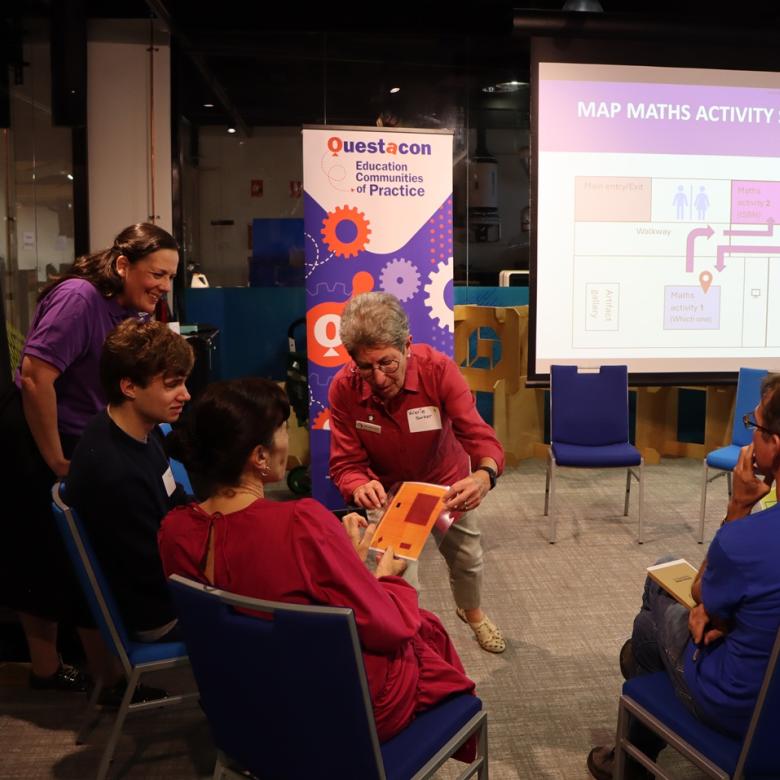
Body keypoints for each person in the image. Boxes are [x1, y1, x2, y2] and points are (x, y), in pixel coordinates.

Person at [157, 378, 476, 742]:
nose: (288, 439)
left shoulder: (174, 529)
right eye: (282, 429)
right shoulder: (301, 523)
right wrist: (384, 577)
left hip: (243, 705)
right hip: (328, 711)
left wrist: (346, 560)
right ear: (259, 457)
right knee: (423, 628)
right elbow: (387, 627)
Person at [0, 223, 180, 692]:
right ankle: (47, 670)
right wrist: (57, 459)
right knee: (42, 556)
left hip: (83, 435)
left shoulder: (134, 310)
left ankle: (106, 677)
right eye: (156, 274)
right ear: (123, 265)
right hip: (40, 434)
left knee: (83, 556)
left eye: (170, 277)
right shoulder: (79, 297)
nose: (164, 286)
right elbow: (36, 377)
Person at [587, 373, 780, 780]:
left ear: (774, 445)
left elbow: (699, 593)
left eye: (755, 424)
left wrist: (737, 508)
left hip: (740, 708)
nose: (750, 436)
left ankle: (633, 756)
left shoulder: (747, 539)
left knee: (655, 603)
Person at [328, 292, 506, 653]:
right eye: (366, 367)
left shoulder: (438, 371)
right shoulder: (344, 389)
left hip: (446, 488)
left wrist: (484, 475)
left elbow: (478, 435)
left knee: (468, 559)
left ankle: (471, 612)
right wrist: (359, 485)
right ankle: (413, 645)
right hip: (388, 495)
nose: (379, 378)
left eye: (387, 363)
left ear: (407, 345)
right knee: (397, 578)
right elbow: (345, 463)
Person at [65, 319, 194, 649]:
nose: (186, 395)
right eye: (172, 385)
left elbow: (173, 497)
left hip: (164, 585)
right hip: (159, 614)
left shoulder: (140, 429)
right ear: (129, 387)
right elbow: (154, 570)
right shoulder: (115, 472)